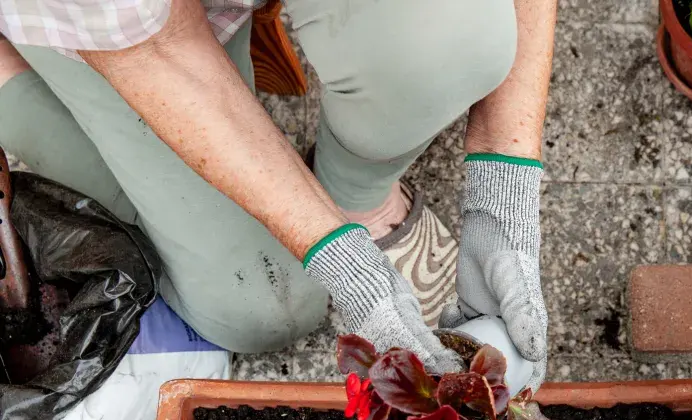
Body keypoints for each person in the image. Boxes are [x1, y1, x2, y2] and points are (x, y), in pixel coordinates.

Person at [0, 0, 555, 389]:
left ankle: (355, 199)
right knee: (261, 310)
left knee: (453, 42)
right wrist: (339, 258)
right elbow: (155, 51)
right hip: (124, 32)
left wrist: (502, 192)